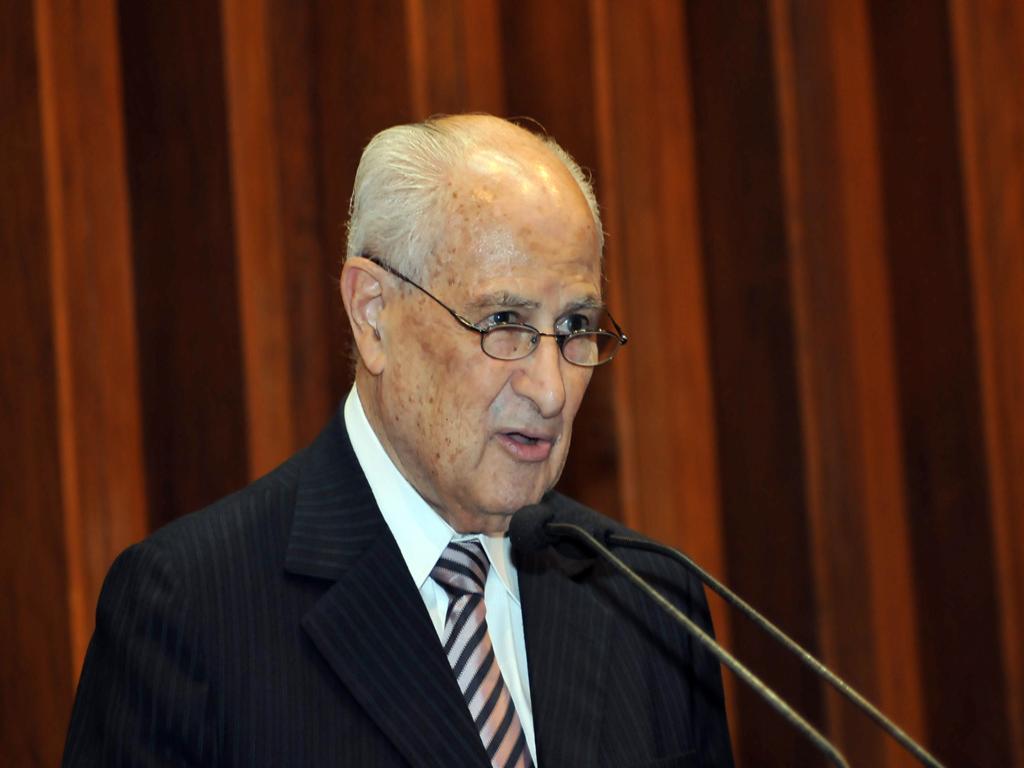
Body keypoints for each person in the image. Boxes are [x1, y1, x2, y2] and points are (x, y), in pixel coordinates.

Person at [62, 115, 733, 767]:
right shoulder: (191, 612)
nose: (551, 390)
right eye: (504, 320)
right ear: (373, 314)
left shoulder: (648, 599)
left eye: (576, 326)